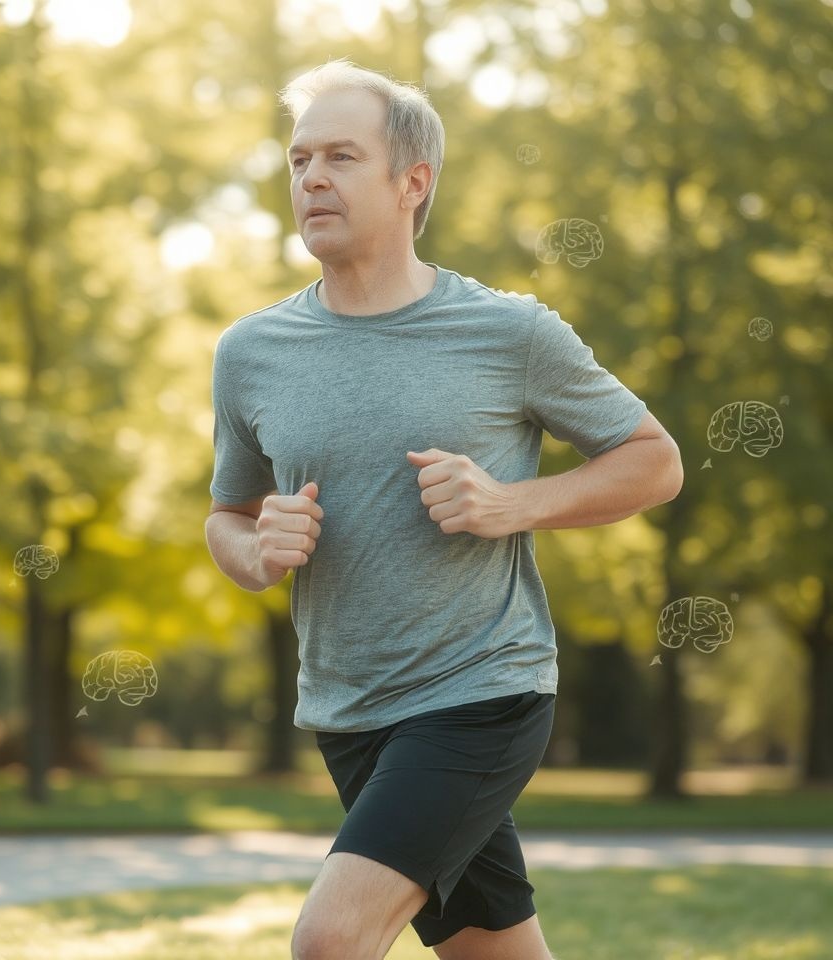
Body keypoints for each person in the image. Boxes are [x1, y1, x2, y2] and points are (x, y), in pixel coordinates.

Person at [203, 58, 683, 960]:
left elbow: (655, 462)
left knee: (330, 941)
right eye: (299, 159)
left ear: (411, 182)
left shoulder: (511, 332)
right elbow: (226, 515)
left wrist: (512, 502)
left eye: (341, 156)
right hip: (348, 709)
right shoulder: (251, 351)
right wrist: (255, 551)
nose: (311, 177)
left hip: (481, 692)